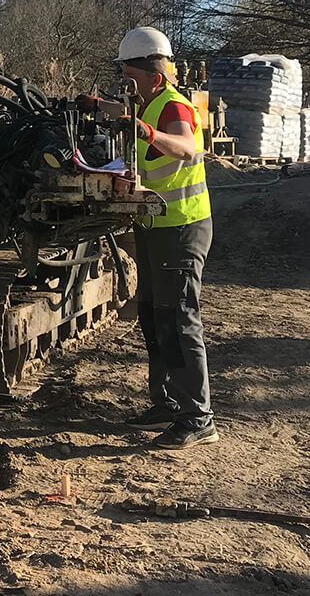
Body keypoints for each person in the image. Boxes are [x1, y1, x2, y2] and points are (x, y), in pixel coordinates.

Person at [116, 26, 218, 450]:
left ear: (154, 77)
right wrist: (99, 107)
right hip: (156, 226)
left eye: (130, 77)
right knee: (154, 317)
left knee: (178, 320)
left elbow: (187, 147)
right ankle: (168, 403)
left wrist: (148, 133)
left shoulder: (172, 106)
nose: (125, 85)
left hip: (180, 228)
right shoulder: (149, 102)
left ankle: (198, 417)